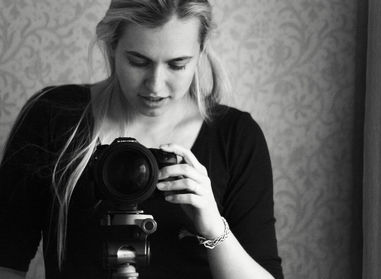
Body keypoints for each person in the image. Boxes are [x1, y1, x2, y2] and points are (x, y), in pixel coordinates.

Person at [0, 0, 283, 278]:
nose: (155, 85)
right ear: (112, 47)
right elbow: (7, 261)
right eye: (138, 61)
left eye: (177, 65)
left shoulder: (235, 136)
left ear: (201, 51)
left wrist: (214, 229)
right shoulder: (54, 116)